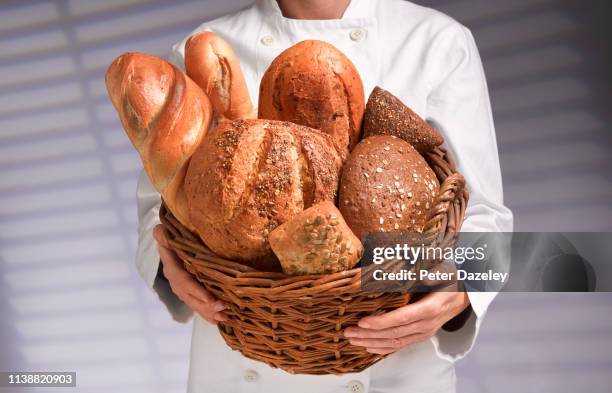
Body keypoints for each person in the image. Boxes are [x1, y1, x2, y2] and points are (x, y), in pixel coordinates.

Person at [136, 0, 513, 392]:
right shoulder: (202, 46)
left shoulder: (438, 41)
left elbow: (489, 216)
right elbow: (160, 208)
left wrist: (464, 286)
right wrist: (170, 264)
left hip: (395, 369)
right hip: (238, 365)